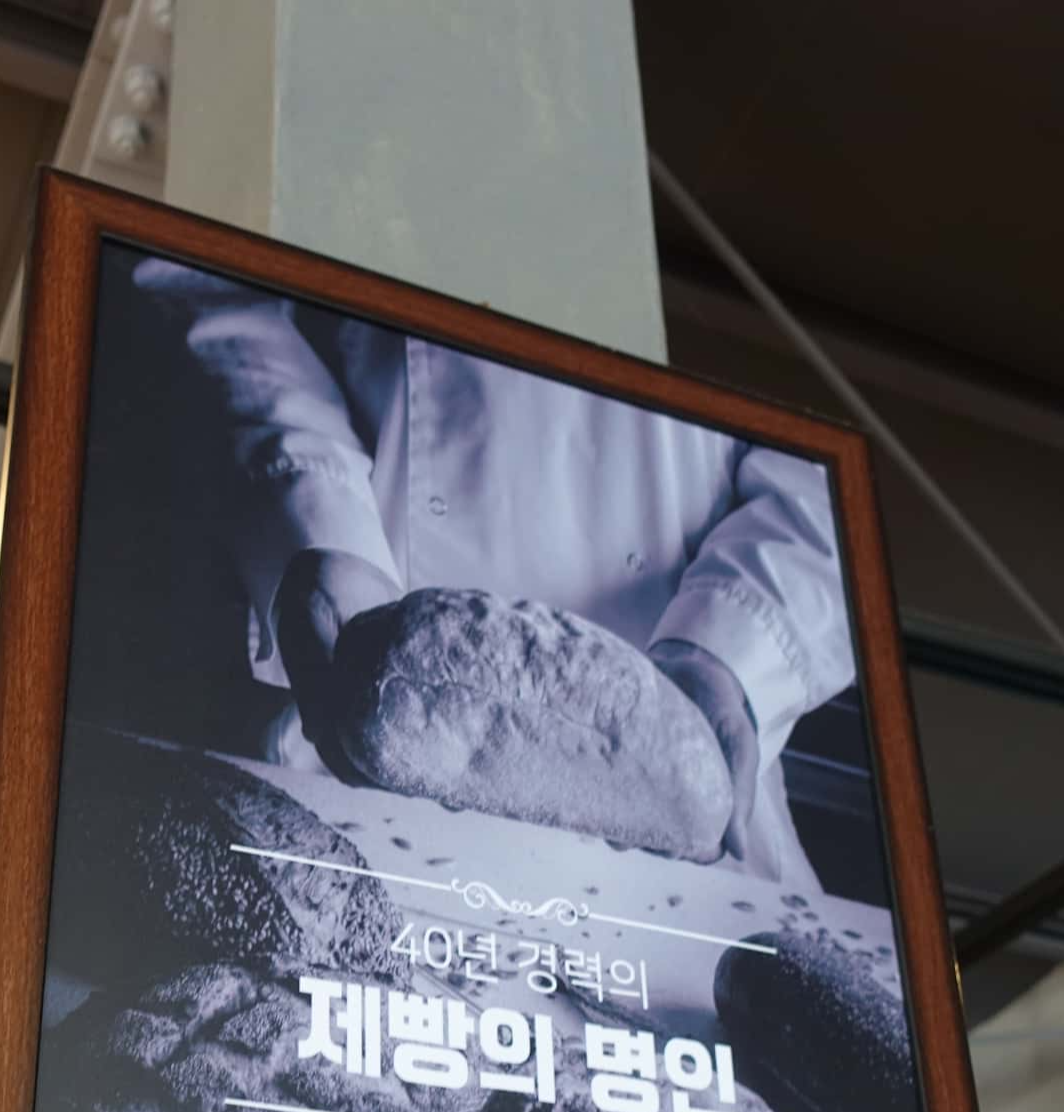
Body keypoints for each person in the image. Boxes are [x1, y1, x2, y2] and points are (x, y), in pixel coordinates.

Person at [133, 255, 855, 886]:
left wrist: (732, 651)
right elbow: (213, 291)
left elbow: (829, 478)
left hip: (696, 776)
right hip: (363, 713)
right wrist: (319, 519)